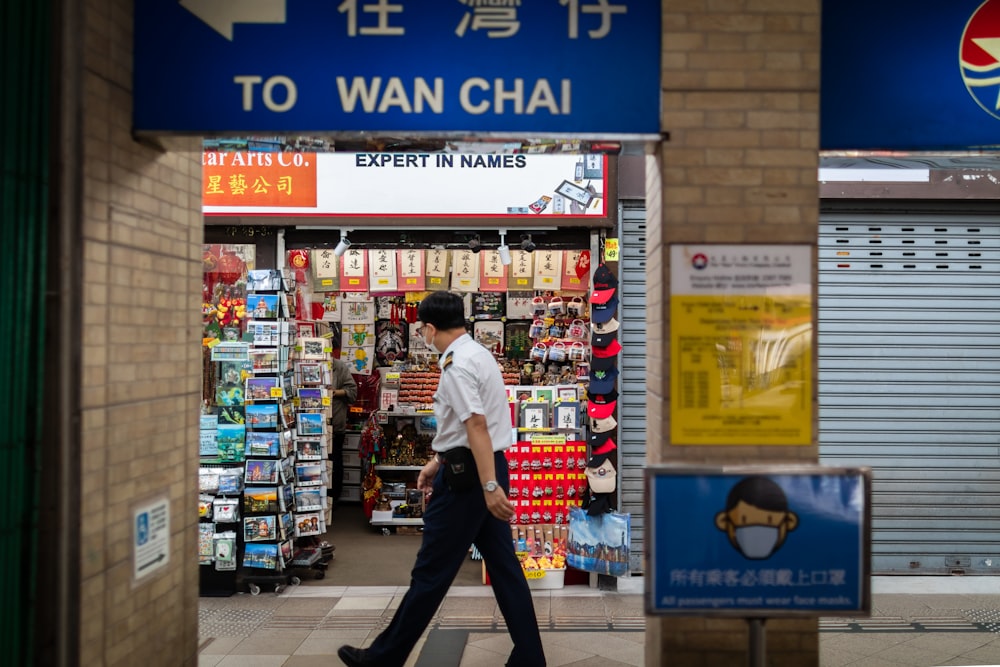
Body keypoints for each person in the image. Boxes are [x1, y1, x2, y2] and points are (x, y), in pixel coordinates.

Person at [338, 291, 546, 667]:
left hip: (471, 480)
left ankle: (384, 657)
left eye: (421, 328)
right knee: (504, 568)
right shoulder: (478, 354)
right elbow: (468, 428)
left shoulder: (457, 365)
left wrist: (488, 487)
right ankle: (530, 657)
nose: (421, 334)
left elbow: (476, 425)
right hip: (483, 465)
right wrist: (438, 459)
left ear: (431, 328)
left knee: (431, 571)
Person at [329, 347, 358, 509]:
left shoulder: (339, 367)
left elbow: (353, 392)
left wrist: (335, 393)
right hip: (312, 426)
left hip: (335, 425)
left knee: (335, 462)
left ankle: (335, 498)